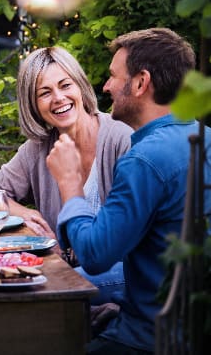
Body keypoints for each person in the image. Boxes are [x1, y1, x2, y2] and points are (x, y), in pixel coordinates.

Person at [46, 28, 210, 353]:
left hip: (150, 339)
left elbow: (95, 255)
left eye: (112, 76)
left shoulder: (145, 160)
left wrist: (69, 184)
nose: (105, 86)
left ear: (140, 82)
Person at [0, 46, 132, 304]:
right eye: (45, 93)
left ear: (80, 85)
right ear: (33, 105)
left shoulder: (121, 139)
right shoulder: (37, 149)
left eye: (65, 85)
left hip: (121, 271)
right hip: (65, 272)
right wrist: (23, 213)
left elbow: (130, 237)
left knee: (44, 292)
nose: (58, 98)